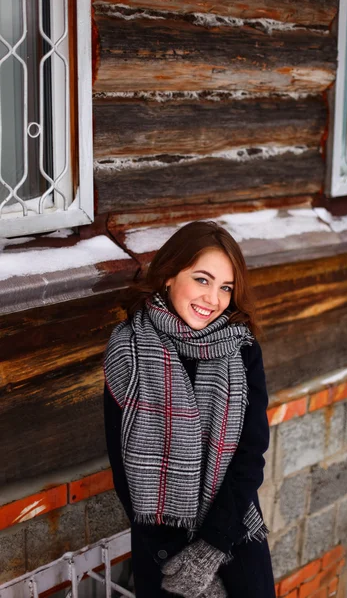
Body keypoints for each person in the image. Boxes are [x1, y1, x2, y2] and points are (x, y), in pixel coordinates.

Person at [104, 221, 276, 598]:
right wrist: (174, 558)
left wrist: (210, 550)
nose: (213, 299)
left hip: (234, 538)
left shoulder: (241, 349)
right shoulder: (129, 350)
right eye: (202, 279)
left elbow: (250, 455)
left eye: (225, 287)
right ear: (168, 276)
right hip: (161, 550)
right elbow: (125, 472)